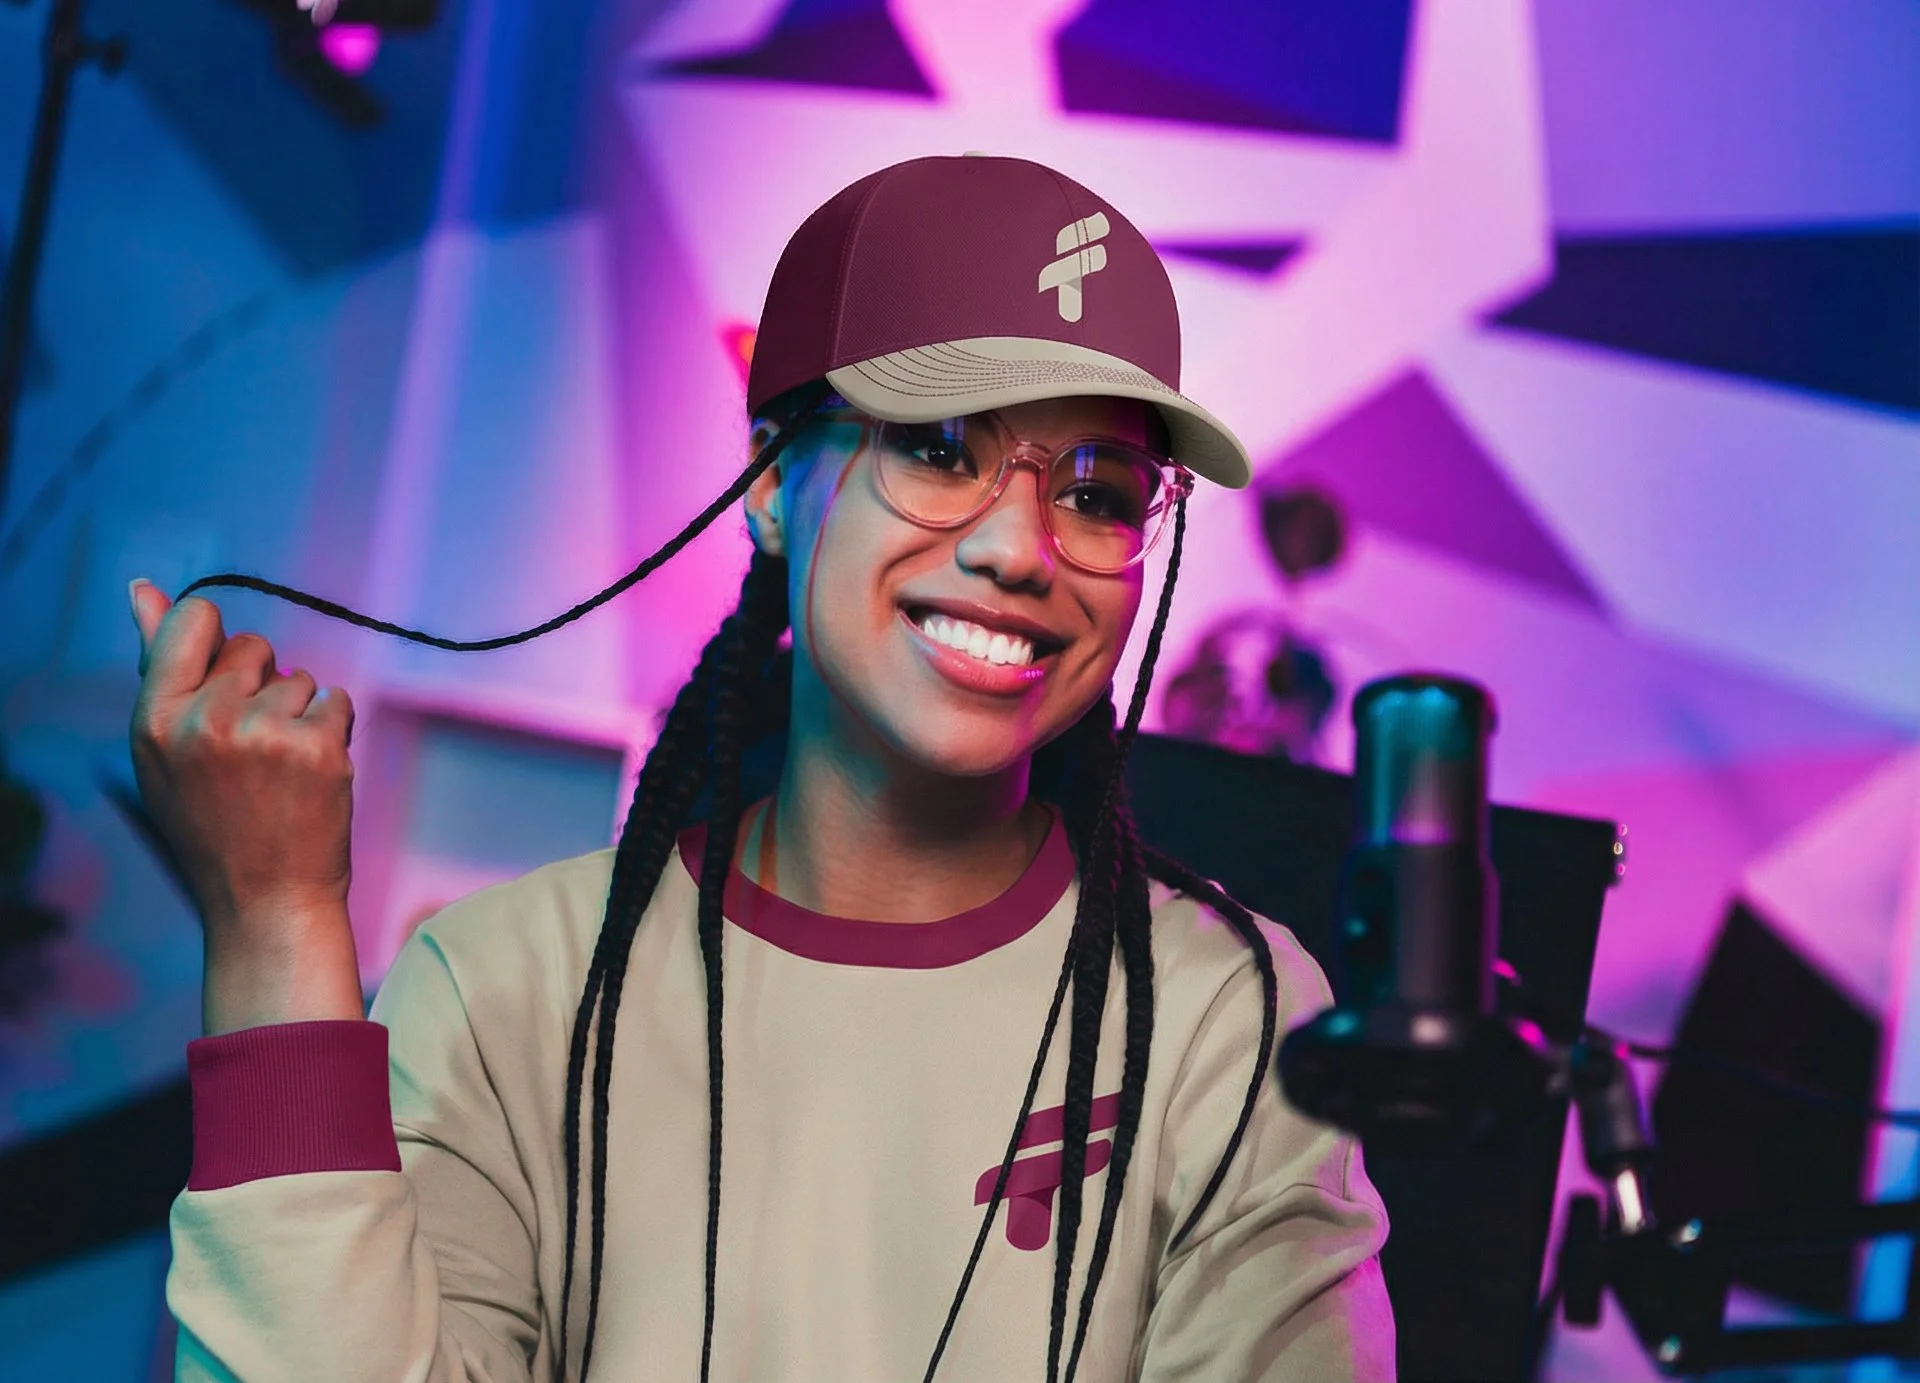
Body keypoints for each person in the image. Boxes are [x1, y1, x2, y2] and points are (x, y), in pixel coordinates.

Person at [131, 154, 1394, 1382]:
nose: (1021, 548)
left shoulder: (1232, 1018)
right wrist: (273, 922)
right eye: (941, 444)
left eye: (1099, 491)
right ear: (771, 481)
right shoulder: (505, 986)